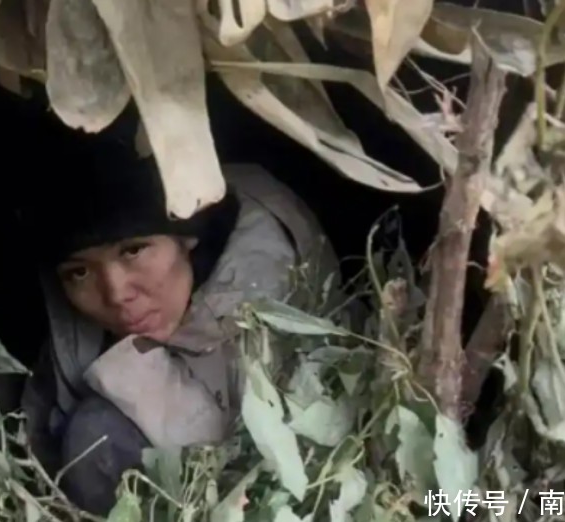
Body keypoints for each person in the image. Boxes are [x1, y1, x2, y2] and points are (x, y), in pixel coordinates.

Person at [20, 151, 340, 515]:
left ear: (188, 237)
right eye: (79, 272)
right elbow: (40, 433)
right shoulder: (71, 315)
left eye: (133, 251)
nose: (116, 293)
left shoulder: (271, 295)